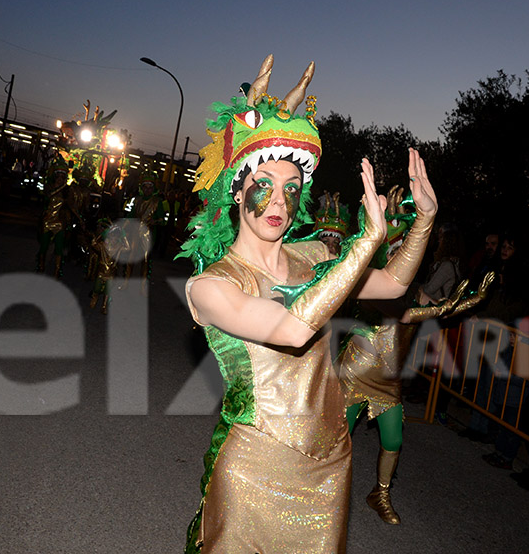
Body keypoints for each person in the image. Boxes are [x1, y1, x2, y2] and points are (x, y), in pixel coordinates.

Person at [180, 55, 437, 553]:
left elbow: (390, 285)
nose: (279, 201)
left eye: (291, 189)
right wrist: (365, 242)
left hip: (329, 463)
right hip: (254, 467)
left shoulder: (314, 256)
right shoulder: (210, 286)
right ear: (237, 190)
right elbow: (293, 328)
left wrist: (423, 222)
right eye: (265, 186)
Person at [337, 194, 494, 524]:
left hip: (388, 383)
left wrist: (467, 302)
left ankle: (379, 493)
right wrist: (451, 305)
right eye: (394, 253)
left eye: (404, 253)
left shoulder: (416, 291)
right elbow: (407, 315)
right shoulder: (369, 286)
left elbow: (429, 308)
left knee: (393, 441)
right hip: (354, 375)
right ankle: (324, 490)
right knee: (339, 442)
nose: (400, 259)